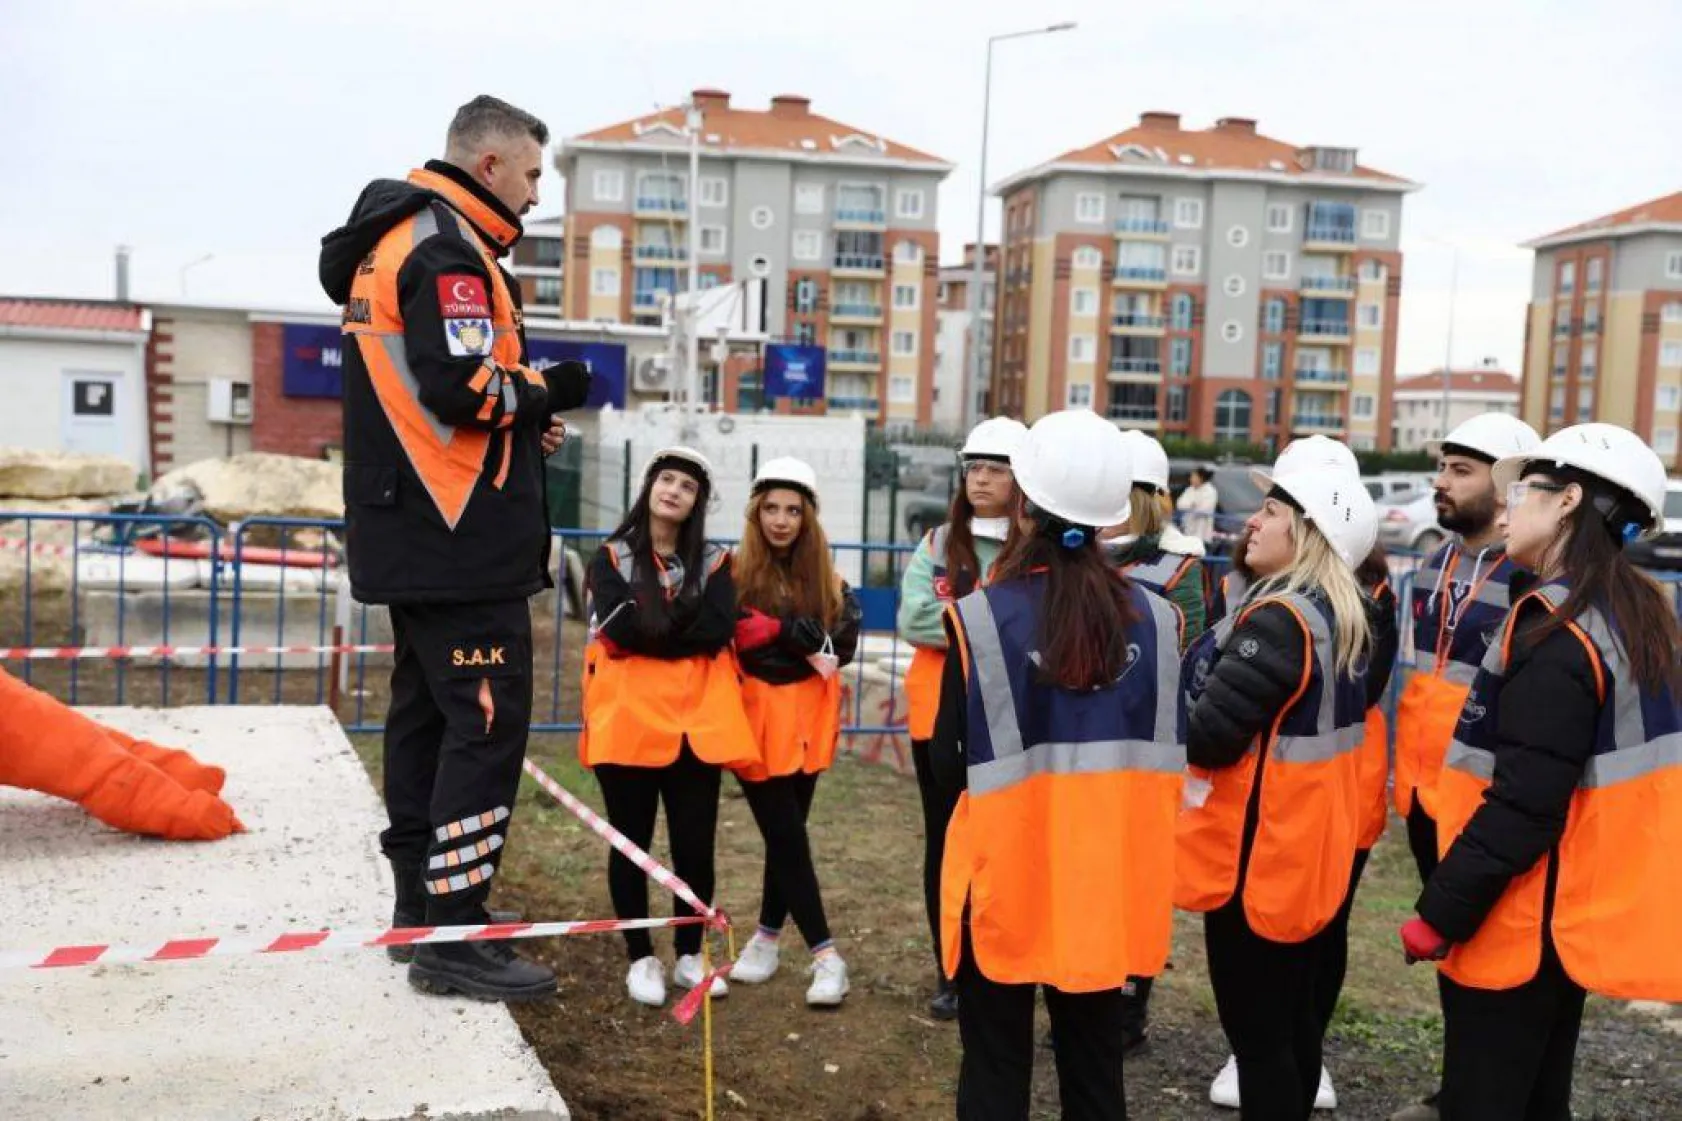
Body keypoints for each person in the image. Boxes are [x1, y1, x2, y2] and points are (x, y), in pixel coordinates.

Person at [318, 95, 592, 1001]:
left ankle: (418, 915)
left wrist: (520, 427)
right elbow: (464, 387)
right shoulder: (445, 249)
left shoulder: (397, 238)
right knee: (482, 727)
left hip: (422, 527)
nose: (537, 193)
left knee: (427, 722)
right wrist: (555, 390)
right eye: (532, 174)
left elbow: (443, 400)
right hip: (455, 533)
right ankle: (456, 932)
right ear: (489, 166)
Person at [1401, 423, 1682, 1121]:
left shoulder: (1558, 631)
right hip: (1569, 916)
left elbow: (1524, 804)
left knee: (1486, 1100)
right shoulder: (1629, 612)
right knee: (1538, 1099)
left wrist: (1439, 911)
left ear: (1568, 502)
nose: (1509, 506)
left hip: (1521, 922)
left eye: (1524, 490)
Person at [932, 409, 1184, 1121]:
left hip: (1004, 879)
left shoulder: (983, 617)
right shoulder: (1161, 622)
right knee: (1094, 1063)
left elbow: (948, 766)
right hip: (1105, 882)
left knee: (996, 1066)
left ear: (1023, 503)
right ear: (1111, 516)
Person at [1178, 463, 1377, 1121]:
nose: (1251, 521)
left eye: (1269, 510)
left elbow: (1207, 736)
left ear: (1307, 530)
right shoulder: (1346, 617)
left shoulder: (1278, 620)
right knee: (1293, 1031)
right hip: (1304, 858)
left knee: (1260, 1041)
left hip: (1253, 867)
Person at [1386, 413, 1541, 1121]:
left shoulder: (1530, 578)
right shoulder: (1429, 566)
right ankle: (1457, 1090)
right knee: (1449, 950)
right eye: (1441, 468)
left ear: (1507, 485)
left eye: (1459, 470)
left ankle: (1486, 1095)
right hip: (1426, 797)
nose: (1440, 484)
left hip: (1486, 800)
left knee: (1495, 958)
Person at [580, 447, 758, 1008]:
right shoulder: (610, 557)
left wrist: (655, 622)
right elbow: (619, 628)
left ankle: (689, 952)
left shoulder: (717, 562)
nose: (674, 490)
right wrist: (678, 624)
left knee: (694, 845)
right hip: (627, 725)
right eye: (667, 479)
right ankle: (640, 957)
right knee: (630, 845)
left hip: (696, 728)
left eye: (688, 485)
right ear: (649, 486)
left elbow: (716, 626)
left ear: (697, 502)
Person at [896, 416, 1027, 1020]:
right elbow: (913, 619)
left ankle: (1002, 960)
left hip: (1013, 724)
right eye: (973, 467)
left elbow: (1030, 625)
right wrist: (989, 625)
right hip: (937, 723)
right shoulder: (937, 543)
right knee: (944, 847)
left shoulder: (1033, 547)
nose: (980, 478)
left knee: (1008, 849)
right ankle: (948, 968)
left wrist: (959, 617)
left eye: (994, 468)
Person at [727, 457, 861, 1007]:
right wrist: (790, 638)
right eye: (771, 509)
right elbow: (729, 635)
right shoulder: (734, 573)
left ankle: (765, 937)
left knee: (788, 837)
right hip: (754, 723)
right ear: (756, 513)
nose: (781, 520)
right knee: (785, 835)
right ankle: (827, 957)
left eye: (793, 510)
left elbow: (843, 642)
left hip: (808, 723)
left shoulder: (827, 577)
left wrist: (784, 642)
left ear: (808, 518)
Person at [1104, 430, 1211, 647]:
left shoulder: (1179, 568)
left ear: (1139, 501)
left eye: (1111, 491)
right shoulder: (1072, 548)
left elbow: (1183, 654)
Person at [1177, 466, 1220, 545]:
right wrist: (1192, 504)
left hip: (1202, 531)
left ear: (1201, 478)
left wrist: (1191, 506)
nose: (1191, 478)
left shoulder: (1210, 491)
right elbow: (1180, 504)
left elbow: (1204, 510)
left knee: (1198, 553)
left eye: (1193, 476)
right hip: (1187, 528)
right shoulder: (1189, 489)